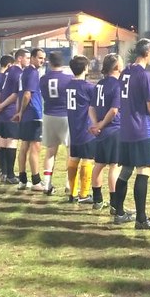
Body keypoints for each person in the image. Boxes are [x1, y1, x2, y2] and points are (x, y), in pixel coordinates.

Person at [115, 39, 150, 228]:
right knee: (144, 170)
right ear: (148, 53)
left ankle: (118, 212)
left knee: (125, 170)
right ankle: (141, 219)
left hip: (124, 128)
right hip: (141, 128)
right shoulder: (144, 75)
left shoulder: (124, 72)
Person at [91, 53, 123, 211]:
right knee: (114, 166)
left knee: (98, 165)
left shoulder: (99, 84)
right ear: (117, 66)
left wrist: (95, 124)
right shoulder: (117, 85)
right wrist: (102, 124)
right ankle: (115, 204)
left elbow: (91, 107)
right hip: (113, 129)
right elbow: (114, 110)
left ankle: (97, 199)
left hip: (101, 132)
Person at [40, 51, 74, 195]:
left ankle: (47, 184)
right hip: (65, 116)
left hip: (49, 115)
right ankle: (69, 184)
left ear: (49, 61)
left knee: (50, 152)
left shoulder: (43, 79)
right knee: (70, 152)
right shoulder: (69, 78)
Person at [64, 55, 96, 203]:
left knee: (74, 158)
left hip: (73, 127)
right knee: (88, 159)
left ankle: (72, 192)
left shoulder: (68, 85)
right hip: (86, 128)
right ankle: (84, 194)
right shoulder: (88, 87)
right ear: (85, 68)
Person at [13, 47, 45, 190]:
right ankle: (36, 181)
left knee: (24, 146)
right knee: (35, 147)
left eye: (43, 58)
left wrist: (19, 111)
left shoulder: (23, 72)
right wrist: (21, 111)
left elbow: (20, 94)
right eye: (39, 58)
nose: (42, 61)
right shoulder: (32, 72)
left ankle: (22, 180)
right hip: (33, 113)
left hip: (26, 114)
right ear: (32, 57)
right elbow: (27, 94)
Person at [0, 52, 24, 185]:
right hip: (9, 111)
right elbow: (15, 94)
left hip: (1, 113)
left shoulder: (5, 72)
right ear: (20, 58)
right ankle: (10, 175)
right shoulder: (18, 73)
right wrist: (1, 105)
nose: (28, 61)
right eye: (27, 58)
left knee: (3, 142)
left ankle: (4, 172)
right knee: (11, 142)